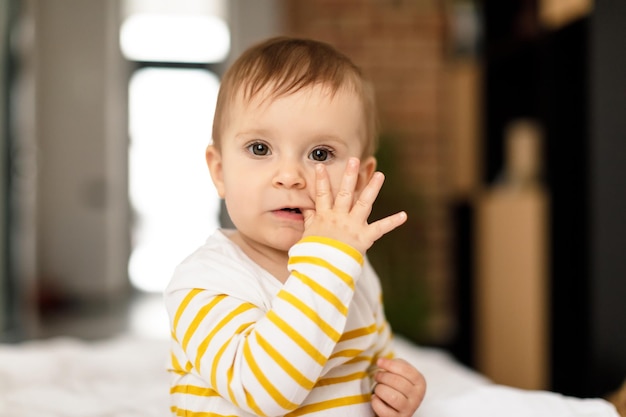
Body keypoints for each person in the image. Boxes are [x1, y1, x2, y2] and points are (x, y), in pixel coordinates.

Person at [164, 36, 426, 417]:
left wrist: (395, 391)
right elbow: (264, 392)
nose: (289, 176)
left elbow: (373, 360)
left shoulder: (351, 268)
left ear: (360, 179)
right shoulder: (204, 281)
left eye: (321, 154)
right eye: (260, 148)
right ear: (219, 172)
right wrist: (327, 267)